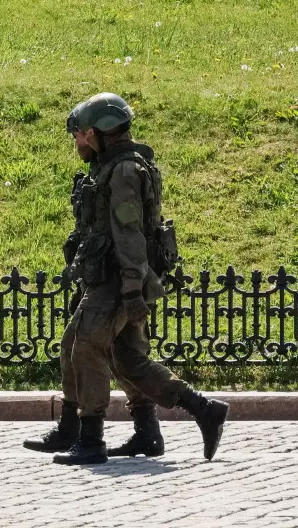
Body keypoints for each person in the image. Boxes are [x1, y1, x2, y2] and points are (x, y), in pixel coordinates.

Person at [52, 93, 228, 465]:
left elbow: (130, 233)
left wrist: (132, 288)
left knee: (84, 346)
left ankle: (90, 439)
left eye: (81, 134)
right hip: (112, 276)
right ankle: (178, 420)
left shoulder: (125, 171)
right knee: (129, 358)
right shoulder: (113, 166)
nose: (78, 142)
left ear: (101, 132)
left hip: (118, 280)